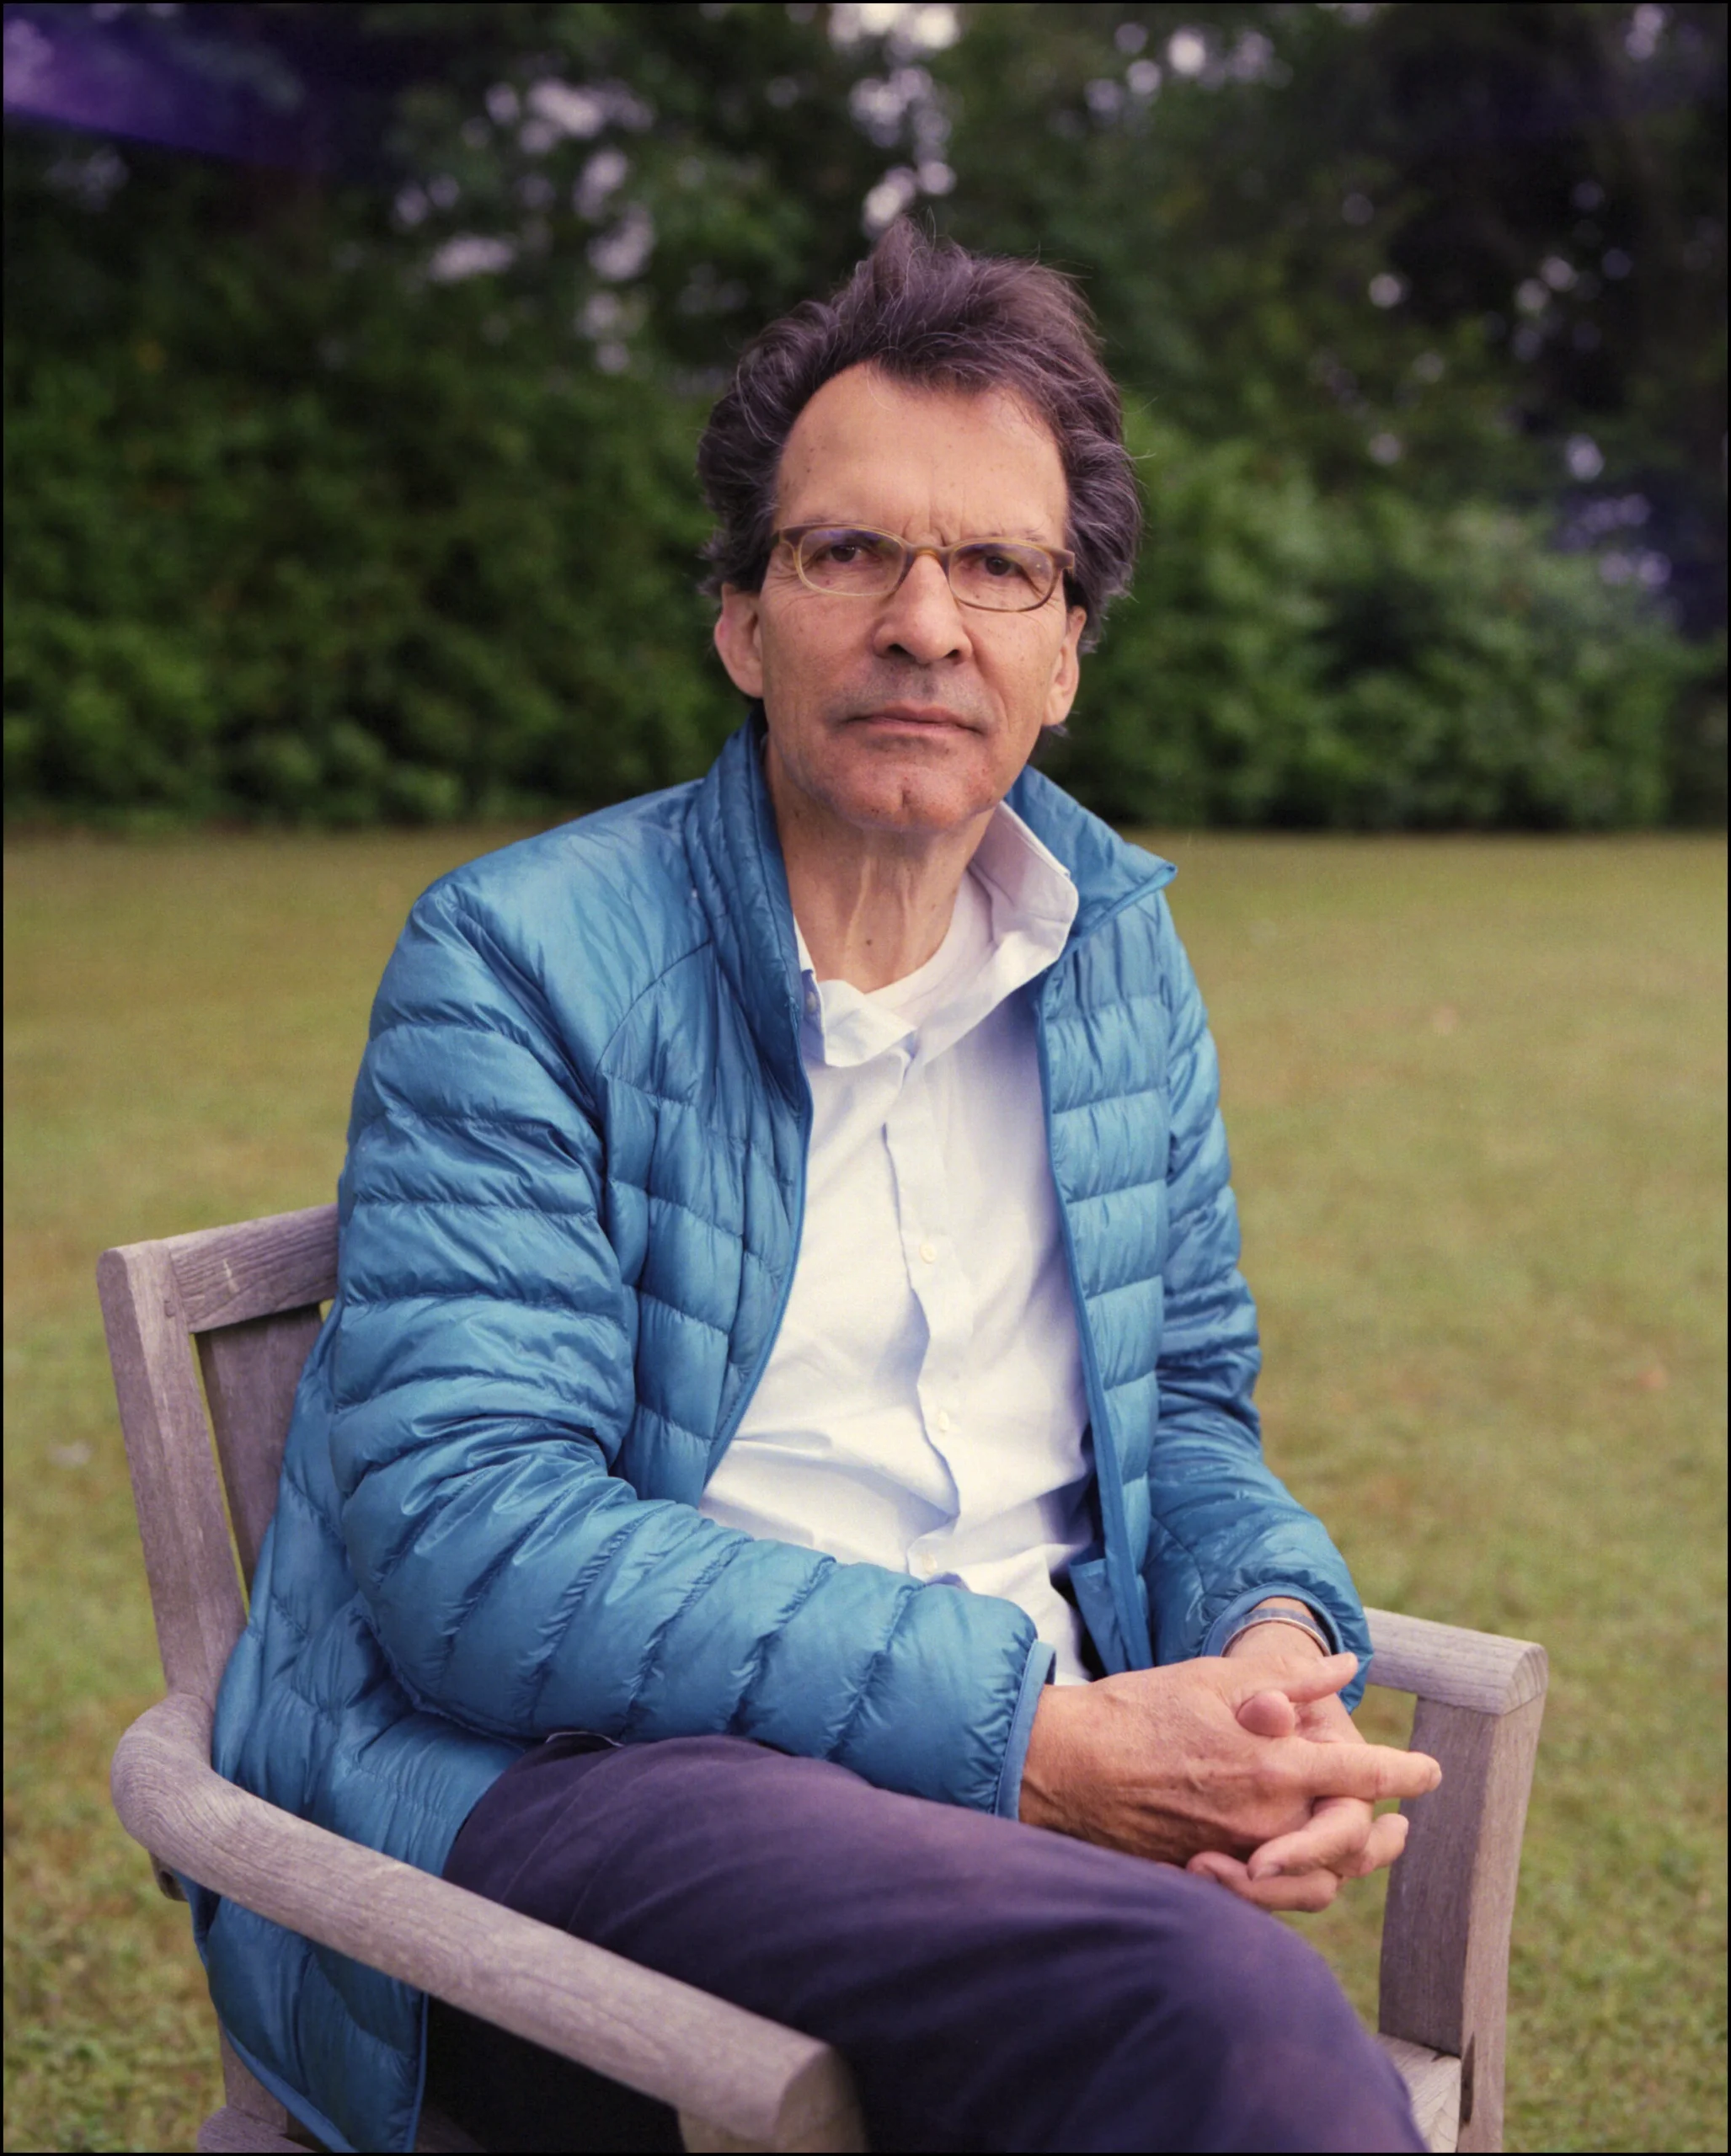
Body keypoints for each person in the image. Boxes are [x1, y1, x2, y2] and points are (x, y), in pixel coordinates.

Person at [200, 221, 1440, 2154]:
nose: (925, 623)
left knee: (1187, 2024)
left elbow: (1186, 1407)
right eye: (849, 550)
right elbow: (473, 1544)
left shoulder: (1116, 960)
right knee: (1211, 2007)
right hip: (599, 1776)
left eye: (997, 566)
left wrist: (1274, 1640)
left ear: (1065, 649)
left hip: (1013, 1827)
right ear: (742, 620)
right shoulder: (519, 957)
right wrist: (1033, 1743)